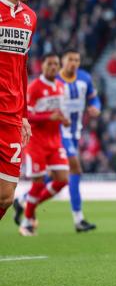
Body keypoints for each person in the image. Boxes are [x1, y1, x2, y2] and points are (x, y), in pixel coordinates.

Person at [13, 53, 70, 236]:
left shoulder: (61, 87)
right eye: (50, 64)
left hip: (55, 141)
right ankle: (28, 221)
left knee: (62, 180)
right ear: (42, 65)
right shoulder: (34, 88)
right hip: (36, 142)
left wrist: (63, 119)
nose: (53, 67)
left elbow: (58, 112)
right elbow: (26, 116)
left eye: (56, 64)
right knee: (38, 184)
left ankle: (27, 202)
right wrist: (48, 117)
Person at [0, 0, 36, 221]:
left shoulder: (30, 17)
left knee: (5, 197)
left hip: (12, 114)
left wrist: (24, 115)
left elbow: (22, 66)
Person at [57, 49, 101, 232]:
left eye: (77, 60)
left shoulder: (85, 78)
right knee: (75, 170)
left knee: (56, 176)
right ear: (62, 61)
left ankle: (24, 201)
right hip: (58, 132)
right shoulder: (55, 82)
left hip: (75, 133)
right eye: (70, 60)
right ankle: (78, 218)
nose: (74, 63)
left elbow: (94, 100)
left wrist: (96, 108)